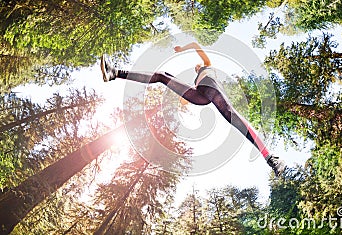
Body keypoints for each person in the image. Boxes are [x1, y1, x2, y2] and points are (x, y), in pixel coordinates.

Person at [100, 42, 286, 177]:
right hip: (200, 95)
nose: (196, 66)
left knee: (234, 118)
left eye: (197, 66)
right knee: (162, 77)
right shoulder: (196, 80)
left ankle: (270, 157)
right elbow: (184, 101)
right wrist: (179, 99)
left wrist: (182, 49)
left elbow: (197, 45)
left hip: (212, 88)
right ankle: (114, 73)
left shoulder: (207, 66)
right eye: (196, 67)